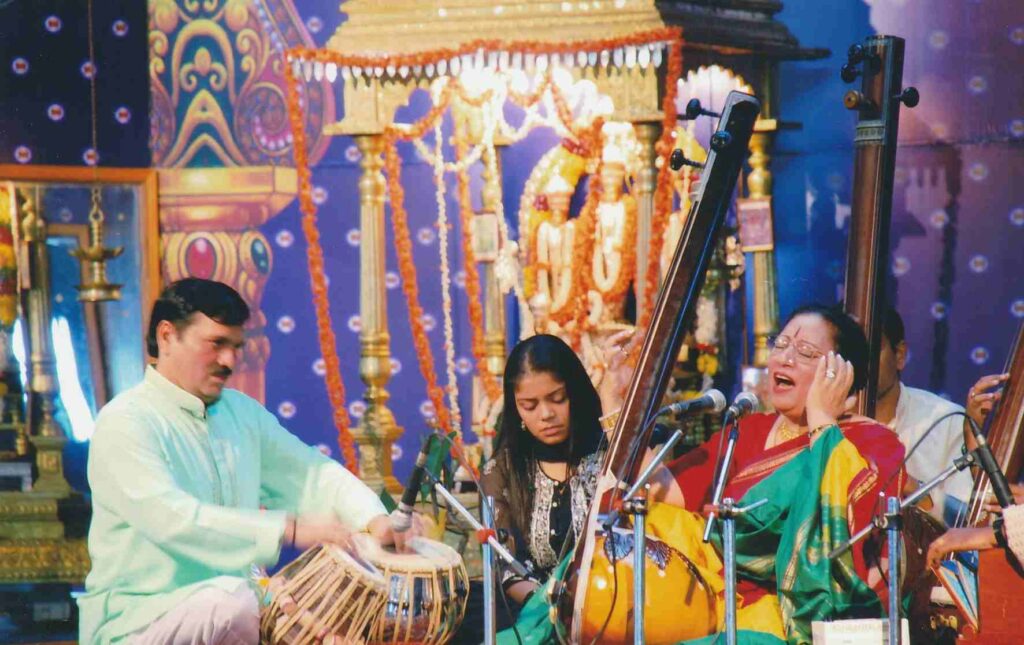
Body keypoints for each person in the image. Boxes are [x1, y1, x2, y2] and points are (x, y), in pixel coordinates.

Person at [78, 278, 418, 645]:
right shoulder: (126, 421)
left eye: (236, 347)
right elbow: (173, 520)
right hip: (137, 623)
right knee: (232, 603)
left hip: (233, 609)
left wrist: (374, 520)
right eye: (217, 344)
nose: (230, 361)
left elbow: (309, 475)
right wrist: (288, 529)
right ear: (166, 336)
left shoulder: (241, 414)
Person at [649, 304, 908, 643]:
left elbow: (838, 536)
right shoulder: (746, 431)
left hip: (792, 622)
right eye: (781, 344)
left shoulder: (873, 442)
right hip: (709, 603)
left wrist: (821, 420)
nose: (785, 358)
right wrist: (620, 398)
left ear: (840, 375)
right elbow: (656, 493)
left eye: (805, 352)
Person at [480, 332, 630, 610]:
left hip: (623, 608)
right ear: (516, 408)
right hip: (541, 615)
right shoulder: (502, 471)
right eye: (530, 405)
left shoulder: (610, 446)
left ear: (574, 391)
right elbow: (505, 567)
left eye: (557, 398)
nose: (546, 414)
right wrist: (551, 608)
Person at [874, 308, 1009, 525]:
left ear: (899, 355)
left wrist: (911, 487)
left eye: (871, 349)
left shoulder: (945, 421)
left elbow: (968, 522)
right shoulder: (825, 424)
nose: (860, 361)